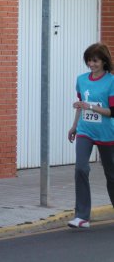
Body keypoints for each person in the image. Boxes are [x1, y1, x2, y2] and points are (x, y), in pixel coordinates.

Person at [67, 42, 114, 228]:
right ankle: (82, 216)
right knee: (80, 168)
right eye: (89, 60)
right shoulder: (81, 79)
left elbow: (112, 112)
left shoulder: (111, 81)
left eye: (95, 61)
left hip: (106, 133)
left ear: (104, 61)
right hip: (85, 130)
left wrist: (91, 106)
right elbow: (81, 104)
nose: (91, 64)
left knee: (111, 176)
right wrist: (74, 126)